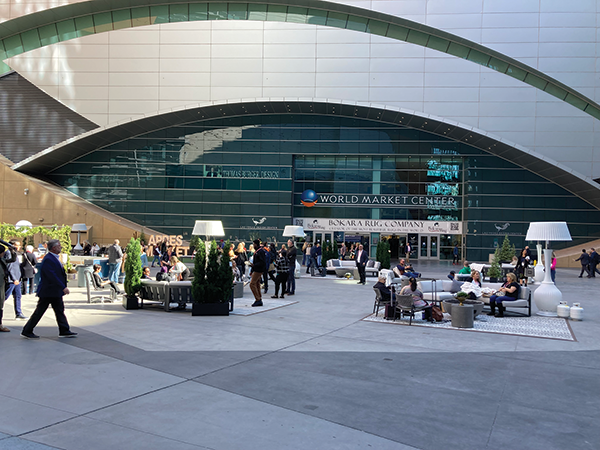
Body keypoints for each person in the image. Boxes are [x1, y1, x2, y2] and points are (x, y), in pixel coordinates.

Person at [21, 239, 77, 339]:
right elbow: (52, 275)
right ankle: (27, 330)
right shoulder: (49, 259)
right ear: (54, 247)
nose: (61, 247)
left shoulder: (53, 258)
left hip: (54, 291)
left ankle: (64, 330)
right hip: (48, 291)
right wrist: (62, 287)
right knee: (40, 311)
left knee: (59, 310)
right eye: (59, 246)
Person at [4, 240, 26, 320]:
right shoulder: (9, 253)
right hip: (12, 279)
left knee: (18, 296)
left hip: (17, 278)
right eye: (17, 245)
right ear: (12, 245)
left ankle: (18, 313)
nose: (19, 247)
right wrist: (14, 278)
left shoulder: (15, 253)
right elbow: (10, 267)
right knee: (5, 296)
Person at [0, 240, 17, 332]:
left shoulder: (2, 261)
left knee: (0, 306)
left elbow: (12, 260)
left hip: (2, 286)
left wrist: (12, 252)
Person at [249, 239, 266, 307]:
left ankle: (257, 299)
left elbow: (262, 262)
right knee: (257, 284)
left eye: (254, 244)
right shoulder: (258, 251)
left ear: (256, 244)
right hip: (256, 269)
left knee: (252, 284)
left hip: (258, 270)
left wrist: (254, 266)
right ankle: (259, 298)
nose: (253, 246)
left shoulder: (260, 251)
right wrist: (252, 270)